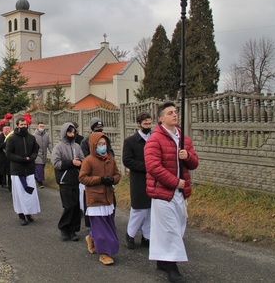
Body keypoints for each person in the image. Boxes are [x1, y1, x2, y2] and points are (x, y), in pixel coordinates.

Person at [144, 102, 199, 283]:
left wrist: (187, 156)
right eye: (170, 113)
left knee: (179, 226)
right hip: (163, 191)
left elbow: (194, 163)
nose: (175, 115)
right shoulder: (155, 139)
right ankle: (173, 269)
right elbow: (153, 166)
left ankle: (162, 260)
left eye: (175, 112)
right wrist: (175, 182)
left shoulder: (183, 138)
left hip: (180, 194)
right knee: (170, 229)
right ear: (161, 118)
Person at [79, 132, 120, 266]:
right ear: (93, 145)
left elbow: (117, 175)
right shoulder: (88, 161)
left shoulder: (110, 160)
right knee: (101, 229)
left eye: (104, 144)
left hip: (108, 197)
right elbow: (82, 178)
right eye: (100, 144)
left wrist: (112, 180)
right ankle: (104, 253)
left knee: (108, 224)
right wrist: (99, 180)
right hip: (95, 198)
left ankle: (91, 237)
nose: (102, 147)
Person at [122, 111, 153, 249]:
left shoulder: (154, 138)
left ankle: (147, 237)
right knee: (139, 209)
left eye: (149, 123)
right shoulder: (130, 141)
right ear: (139, 124)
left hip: (154, 179)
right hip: (139, 179)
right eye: (145, 123)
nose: (148, 126)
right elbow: (127, 160)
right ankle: (130, 234)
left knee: (151, 210)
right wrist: (146, 167)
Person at [51, 122, 85, 241]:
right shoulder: (58, 147)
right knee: (69, 206)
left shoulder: (77, 146)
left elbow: (83, 159)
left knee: (76, 206)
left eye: (73, 132)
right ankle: (64, 227)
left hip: (76, 180)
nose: (71, 134)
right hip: (64, 180)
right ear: (64, 132)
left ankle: (73, 230)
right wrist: (71, 162)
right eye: (69, 132)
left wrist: (81, 163)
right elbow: (56, 163)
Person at [6, 116, 40, 226]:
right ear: (17, 126)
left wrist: (32, 158)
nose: (23, 126)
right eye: (21, 125)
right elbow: (9, 154)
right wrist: (21, 159)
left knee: (30, 194)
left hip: (29, 170)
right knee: (19, 194)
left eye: (25, 125)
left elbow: (36, 150)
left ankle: (29, 213)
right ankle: (21, 215)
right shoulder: (12, 138)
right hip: (17, 171)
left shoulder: (31, 138)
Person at [33, 122, 52, 189]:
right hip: (37, 154)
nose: (42, 127)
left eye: (43, 126)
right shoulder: (34, 135)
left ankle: (36, 177)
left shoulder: (46, 135)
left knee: (42, 167)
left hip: (44, 154)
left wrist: (52, 151)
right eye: (40, 126)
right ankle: (40, 182)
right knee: (39, 167)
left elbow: (49, 143)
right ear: (37, 127)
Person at [0, 122, 11, 192]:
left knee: (10, 173)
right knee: (0, 172)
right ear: (3, 130)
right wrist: (4, 144)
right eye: (6, 129)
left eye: (8, 129)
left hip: (9, 157)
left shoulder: (12, 136)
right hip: (2, 157)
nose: (7, 130)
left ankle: (10, 187)